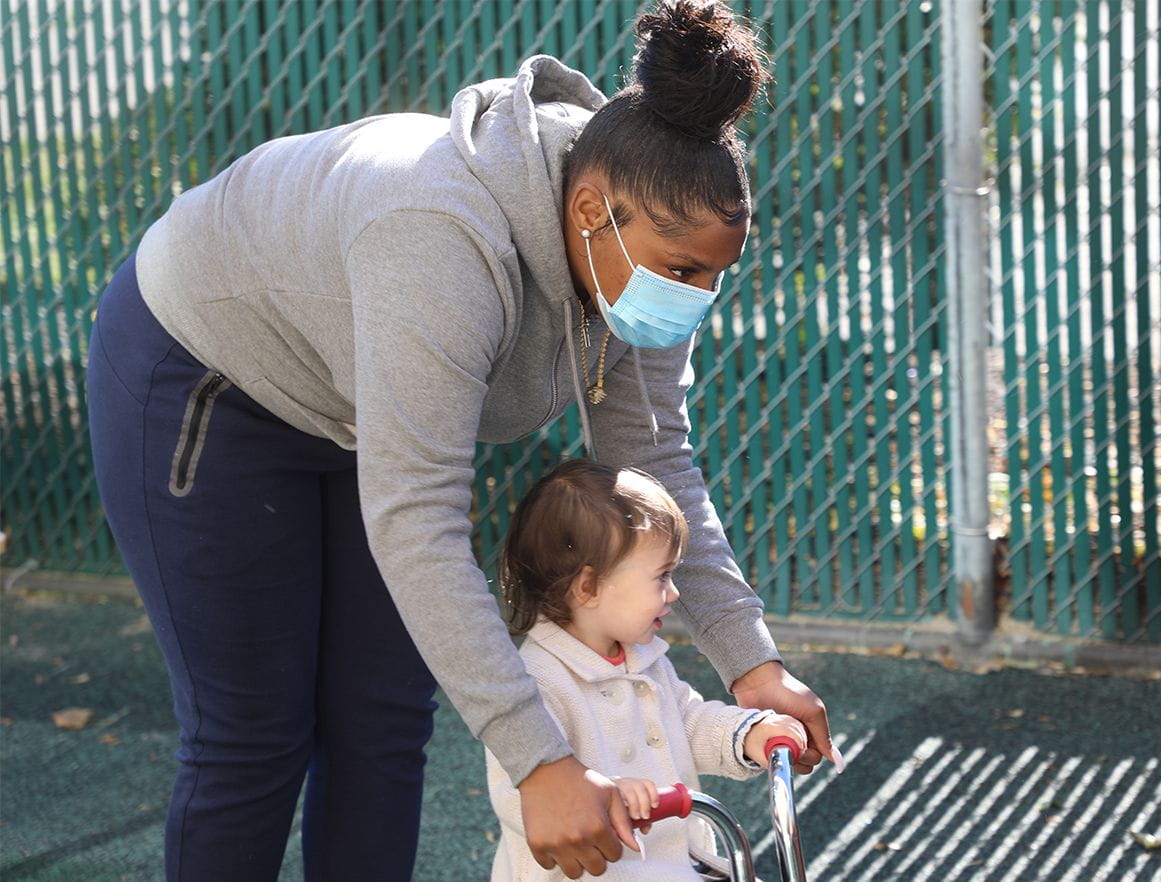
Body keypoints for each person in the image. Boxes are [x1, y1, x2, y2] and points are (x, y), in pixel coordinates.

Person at [85, 1, 842, 879]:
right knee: (253, 731)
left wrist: (752, 663)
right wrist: (543, 763)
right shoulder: (439, 239)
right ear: (591, 209)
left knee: (382, 717)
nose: (696, 298)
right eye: (683, 271)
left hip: (354, 397)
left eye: (715, 275)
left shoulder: (636, 239)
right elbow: (420, 522)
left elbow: (657, 463)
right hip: (208, 374)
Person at [487, 459, 813, 880]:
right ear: (588, 587)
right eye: (661, 577)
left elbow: (688, 722)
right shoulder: (536, 680)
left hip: (676, 866)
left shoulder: (643, 660)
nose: (674, 592)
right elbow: (523, 790)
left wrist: (747, 733)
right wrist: (603, 792)